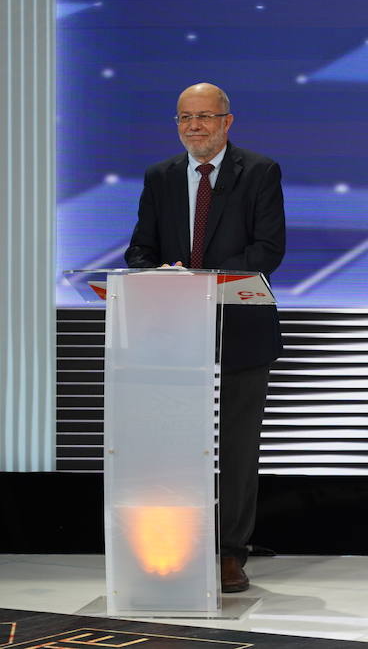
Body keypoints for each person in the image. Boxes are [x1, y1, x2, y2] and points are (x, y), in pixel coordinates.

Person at [125, 82, 286, 593]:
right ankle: (179, 546)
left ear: (227, 122)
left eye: (205, 117)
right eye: (184, 117)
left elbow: (267, 250)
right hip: (172, 333)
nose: (194, 126)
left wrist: (204, 280)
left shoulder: (259, 172)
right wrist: (162, 274)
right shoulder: (160, 177)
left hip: (241, 329)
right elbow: (139, 253)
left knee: (237, 448)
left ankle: (230, 553)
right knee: (174, 445)